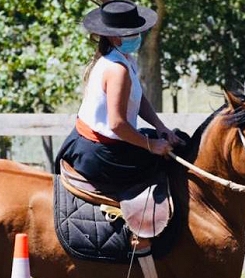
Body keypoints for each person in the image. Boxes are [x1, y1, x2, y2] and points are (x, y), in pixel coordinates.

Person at [55, 0, 184, 251]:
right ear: (115, 37)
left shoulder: (122, 59)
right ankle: (138, 233)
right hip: (100, 150)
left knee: (173, 144)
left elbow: (138, 99)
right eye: (131, 33)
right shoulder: (117, 69)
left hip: (98, 142)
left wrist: (161, 128)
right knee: (158, 163)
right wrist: (151, 145)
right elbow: (117, 125)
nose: (136, 37)